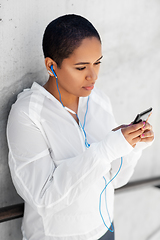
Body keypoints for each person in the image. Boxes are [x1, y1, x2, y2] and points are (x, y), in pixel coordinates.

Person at [7, 14, 154, 240]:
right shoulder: (28, 114)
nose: (93, 76)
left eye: (97, 62)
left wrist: (132, 147)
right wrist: (106, 149)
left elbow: (115, 180)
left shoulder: (98, 101)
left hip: (105, 229)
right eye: (81, 67)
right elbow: (43, 197)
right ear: (52, 66)